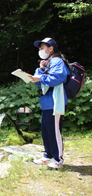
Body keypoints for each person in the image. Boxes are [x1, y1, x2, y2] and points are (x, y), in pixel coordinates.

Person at [29, 37, 70, 169]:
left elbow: (57, 78)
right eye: (39, 48)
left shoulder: (57, 61)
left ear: (51, 49)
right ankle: (48, 155)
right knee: (46, 130)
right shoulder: (45, 63)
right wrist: (39, 71)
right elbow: (37, 83)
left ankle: (58, 159)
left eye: (42, 48)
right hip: (46, 102)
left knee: (54, 131)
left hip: (55, 101)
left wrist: (40, 76)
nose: (40, 50)